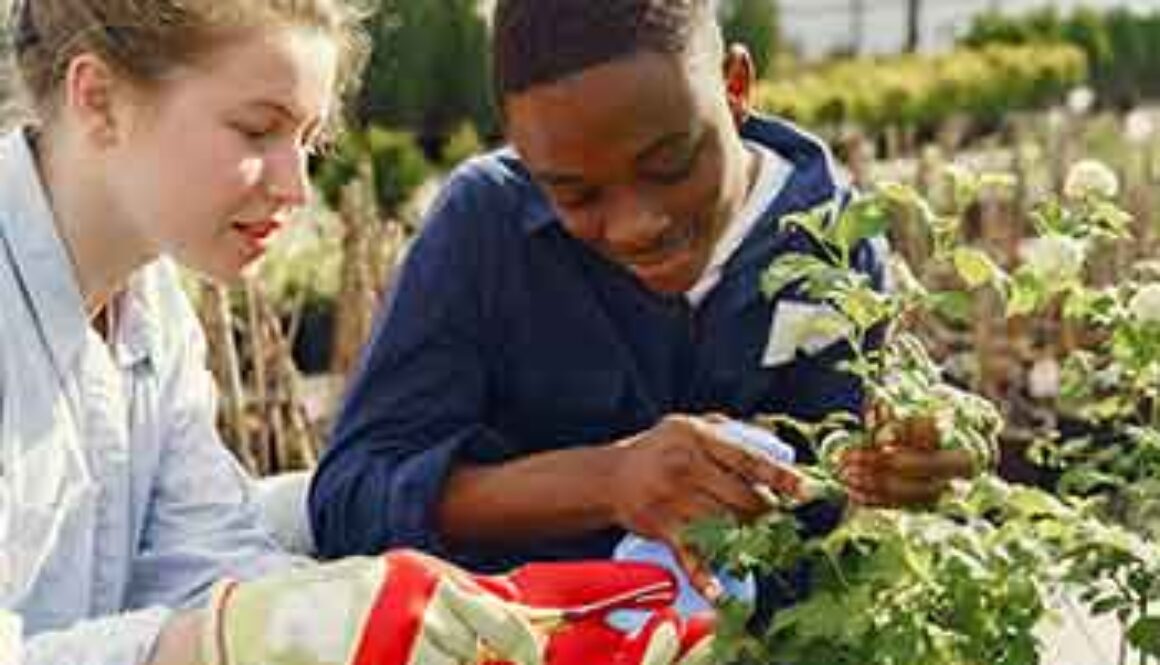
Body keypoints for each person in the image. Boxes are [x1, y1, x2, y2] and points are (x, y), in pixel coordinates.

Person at [0, 1, 707, 664]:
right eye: (257, 130)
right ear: (98, 97)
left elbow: (202, 552)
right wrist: (229, 637)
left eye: (307, 140)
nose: (297, 187)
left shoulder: (152, 311)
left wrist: (385, 606)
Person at [310, 0, 978, 599]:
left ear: (735, 87)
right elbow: (349, 498)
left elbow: (839, 511)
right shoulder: (485, 225)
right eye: (574, 194)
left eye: (670, 165)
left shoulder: (831, 239)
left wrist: (907, 473)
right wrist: (605, 481)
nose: (636, 224)